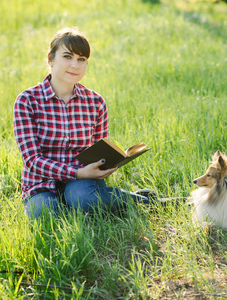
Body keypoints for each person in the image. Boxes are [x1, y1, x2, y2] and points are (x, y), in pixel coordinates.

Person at [13, 27, 157, 218]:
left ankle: (145, 202)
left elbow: (99, 150)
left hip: (83, 183)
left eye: (82, 59)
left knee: (84, 199)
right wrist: (77, 172)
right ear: (50, 58)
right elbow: (32, 161)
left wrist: (104, 166)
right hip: (41, 183)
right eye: (67, 56)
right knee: (45, 215)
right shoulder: (27, 101)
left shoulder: (95, 102)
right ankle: (93, 203)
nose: (75, 65)